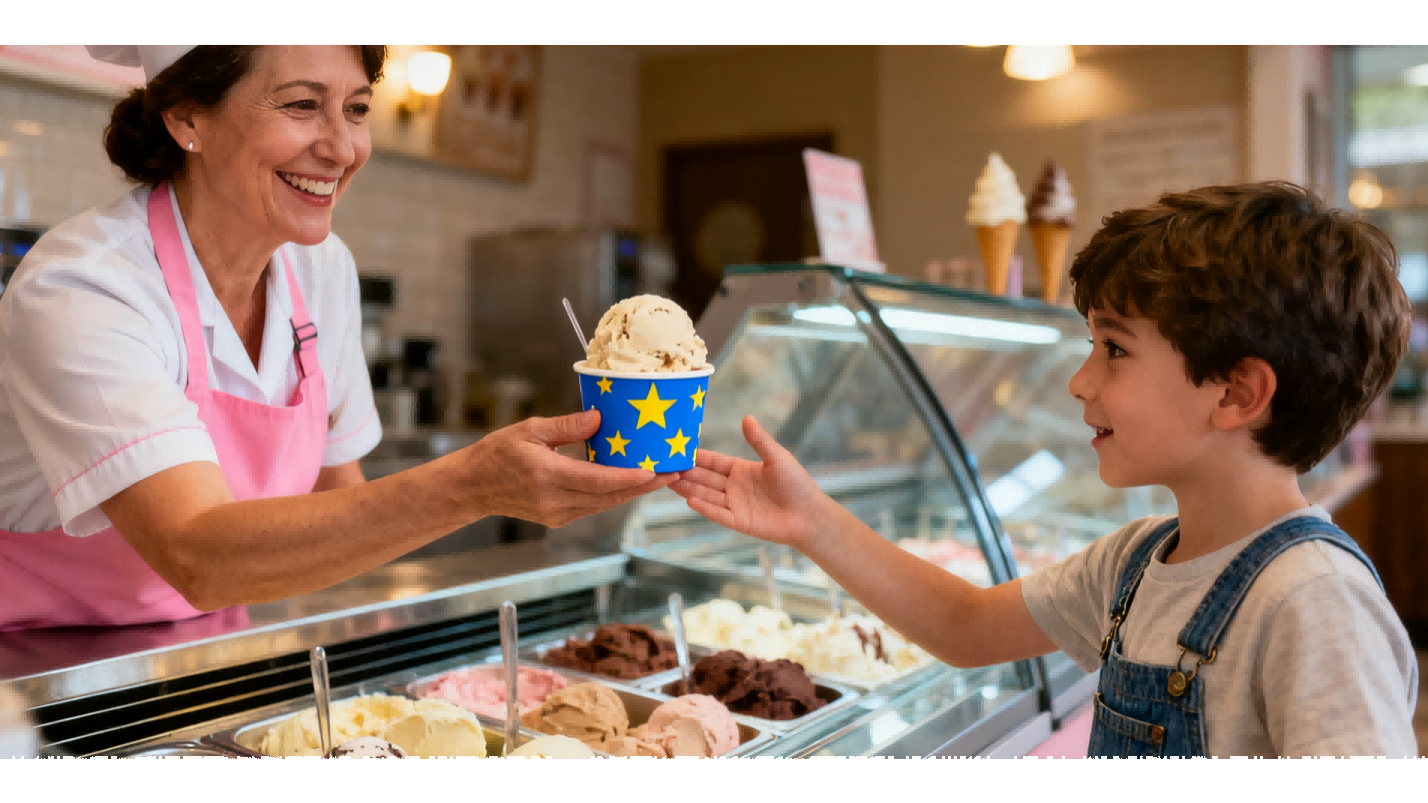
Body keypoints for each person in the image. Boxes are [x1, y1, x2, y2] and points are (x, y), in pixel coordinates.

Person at [671, 182, 1421, 758]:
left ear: (1236, 393)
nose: (1080, 380)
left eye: (1115, 350)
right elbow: (965, 625)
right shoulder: (1133, 562)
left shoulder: (1315, 604)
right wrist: (810, 519)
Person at [0, 44, 671, 630]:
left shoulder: (319, 269)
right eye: (300, 105)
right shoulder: (85, 286)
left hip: (201, 653)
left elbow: (338, 510)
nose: (343, 148)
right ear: (187, 117)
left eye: (355, 108)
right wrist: (473, 485)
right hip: (35, 678)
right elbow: (198, 554)